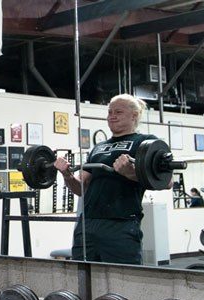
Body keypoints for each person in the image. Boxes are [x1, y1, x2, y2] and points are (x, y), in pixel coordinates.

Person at [54, 94, 166, 265]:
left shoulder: (145, 142)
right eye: (109, 112)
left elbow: (166, 181)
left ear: (134, 115)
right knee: (84, 280)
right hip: (88, 224)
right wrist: (67, 175)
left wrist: (130, 172)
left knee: (122, 280)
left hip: (121, 224)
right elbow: (81, 189)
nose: (112, 116)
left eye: (118, 112)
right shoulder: (98, 147)